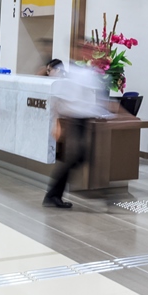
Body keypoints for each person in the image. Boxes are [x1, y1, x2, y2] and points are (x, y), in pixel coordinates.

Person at [44, 52, 108, 209]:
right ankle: (53, 195)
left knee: (82, 157)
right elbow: (60, 100)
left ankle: (54, 194)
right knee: (75, 158)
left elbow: (93, 99)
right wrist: (57, 123)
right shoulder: (74, 74)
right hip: (76, 121)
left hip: (84, 120)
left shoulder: (88, 74)